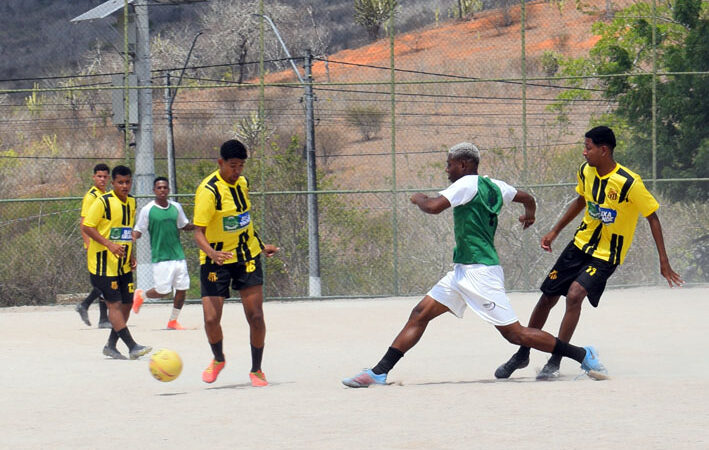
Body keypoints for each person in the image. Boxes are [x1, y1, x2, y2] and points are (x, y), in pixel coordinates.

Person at [342, 142, 608, 388]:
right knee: (420, 313)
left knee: (516, 335)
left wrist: (419, 198)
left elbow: (434, 207)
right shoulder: (495, 185)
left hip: (481, 273)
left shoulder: (466, 184)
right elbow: (527, 197)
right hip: (462, 271)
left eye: (449, 164)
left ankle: (583, 354)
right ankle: (379, 371)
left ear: (464, 164)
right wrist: (530, 214)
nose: (447, 170)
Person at [495, 126, 683, 381]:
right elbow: (582, 201)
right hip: (580, 245)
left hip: (606, 254)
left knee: (574, 295)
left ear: (604, 150)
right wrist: (555, 231)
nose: (584, 153)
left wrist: (664, 261)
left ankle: (556, 359)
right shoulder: (586, 171)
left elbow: (653, 218)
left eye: (588, 147)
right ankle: (522, 353)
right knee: (547, 296)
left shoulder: (629, 183)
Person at [193, 139, 279, 386]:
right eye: (233, 166)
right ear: (220, 163)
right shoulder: (208, 192)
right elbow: (198, 232)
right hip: (216, 260)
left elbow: (245, 221)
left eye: (241, 166)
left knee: (256, 316)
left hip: (246, 256)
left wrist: (261, 246)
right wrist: (212, 254)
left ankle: (256, 369)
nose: (237, 171)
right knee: (211, 319)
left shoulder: (243, 184)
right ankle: (218, 358)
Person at [81, 165, 152, 360]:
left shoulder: (131, 202)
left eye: (128, 182)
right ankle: (132, 346)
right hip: (103, 265)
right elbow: (87, 226)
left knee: (127, 304)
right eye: (120, 182)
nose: (124, 186)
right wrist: (108, 245)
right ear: (113, 183)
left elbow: (125, 230)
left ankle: (111, 345)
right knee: (114, 304)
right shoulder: (102, 202)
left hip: (122, 264)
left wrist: (130, 255)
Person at [132, 177, 195, 330]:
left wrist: (199, 226)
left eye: (165, 187)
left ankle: (173, 321)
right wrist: (131, 241)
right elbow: (138, 230)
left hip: (178, 256)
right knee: (162, 291)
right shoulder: (148, 209)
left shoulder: (176, 207)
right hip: (161, 257)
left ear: (169, 190)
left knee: (182, 289)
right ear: (154, 190)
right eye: (159, 188)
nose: (162, 190)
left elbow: (184, 225)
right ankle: (142, 296)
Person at [75, 163, 111, 328]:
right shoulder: (91, 196)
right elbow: (84, 223)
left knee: (105, 281)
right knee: (103, 281)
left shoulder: (106, 194)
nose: (102, 179)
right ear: (93, 177)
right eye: (99, 176)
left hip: (105, 245)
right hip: (95, 246)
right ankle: (92, 310)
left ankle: (98, 315)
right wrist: (88, 244)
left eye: (105, 177)